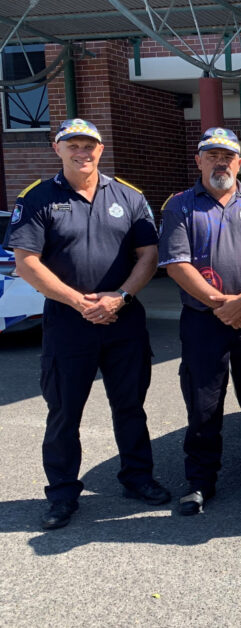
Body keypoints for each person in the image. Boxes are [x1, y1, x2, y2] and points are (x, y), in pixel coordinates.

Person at [3, 118, 170, 529]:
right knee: (64, 411)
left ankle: (138, 479)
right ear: (57, 149)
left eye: (90, 145)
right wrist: (78, 301)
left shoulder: (129, 196)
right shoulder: (38, 197)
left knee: (130, 407)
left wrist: (122, 296)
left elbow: (148, 255)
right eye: (73, 145)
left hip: (124, 319)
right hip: (67, 322)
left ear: (100, 149)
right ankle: (62, 494)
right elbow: (27, 263)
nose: (83, 152)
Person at [158, 127, 241, 516]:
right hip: (203, 320)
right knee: (203, 405)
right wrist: (220, 304)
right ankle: (200, 482)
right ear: (198, 160)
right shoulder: (179, 206)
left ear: (239, 162)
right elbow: (177, 265)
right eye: (212, 155)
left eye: (228, 156)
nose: (221, 162)